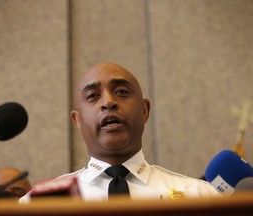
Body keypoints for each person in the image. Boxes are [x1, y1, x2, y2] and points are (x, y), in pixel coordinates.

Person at [20, 62, 219, 202]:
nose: (108, 102)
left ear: (144, 111)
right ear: (77, 120)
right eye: (92, 96)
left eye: (121, 92)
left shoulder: (201, 197)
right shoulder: (40, 205)